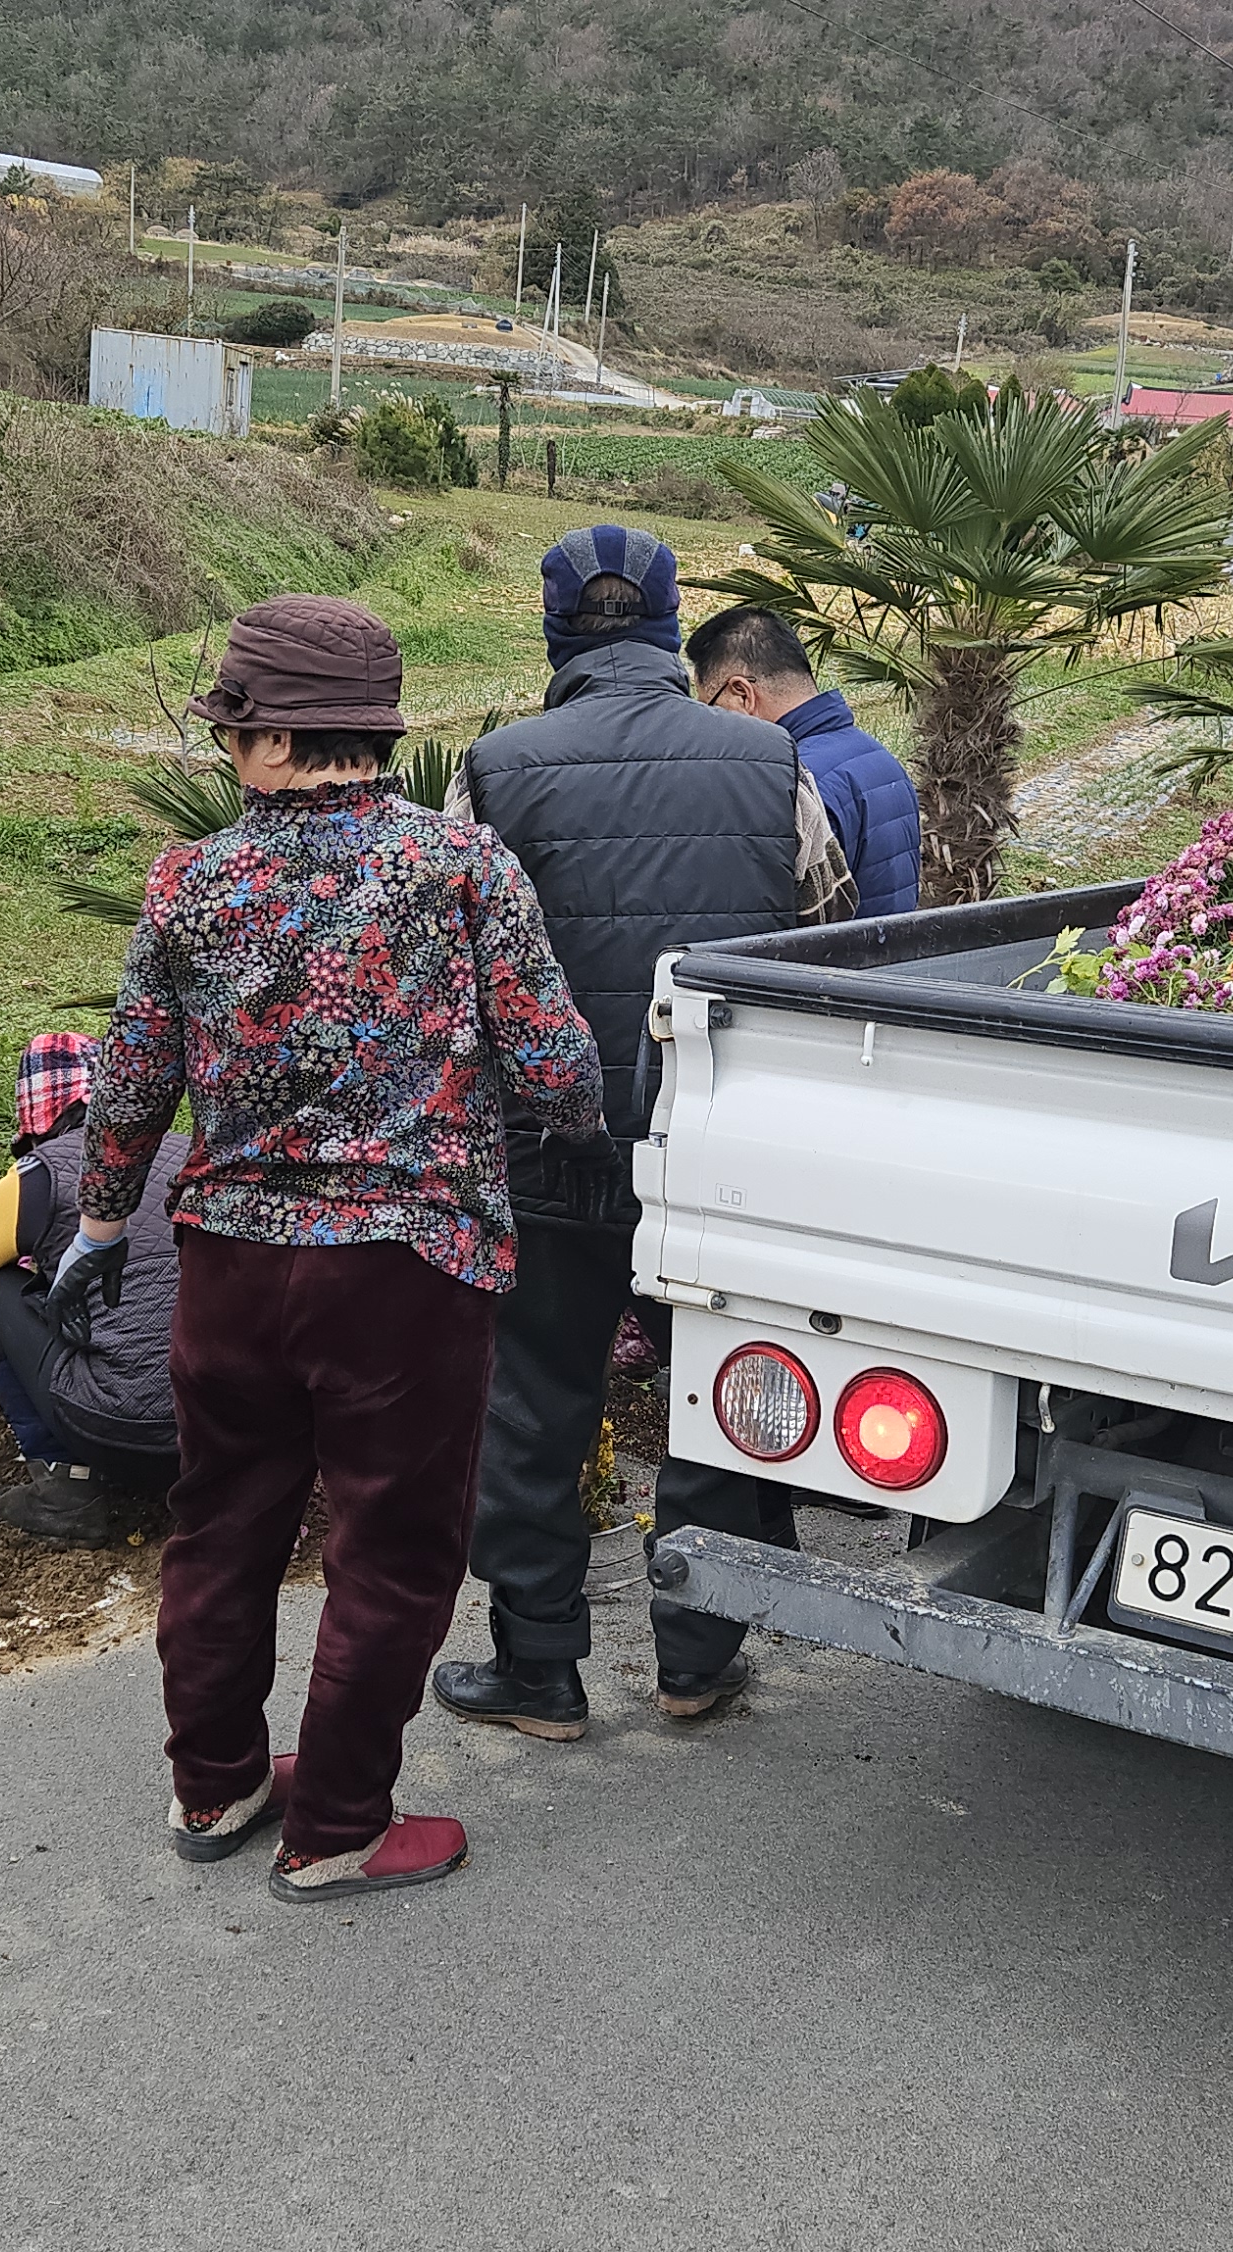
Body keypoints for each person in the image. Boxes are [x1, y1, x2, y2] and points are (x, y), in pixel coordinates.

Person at [59, 593, 604, 1902]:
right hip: (405, 1272)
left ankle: (217, 1782)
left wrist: (95, 1223)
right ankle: (341, 1823)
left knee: (221, 1530)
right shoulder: (460, 868)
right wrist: (574, 1126)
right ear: (374, 730)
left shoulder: (190, 881)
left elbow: (131, 1076)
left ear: (267, 738)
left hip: (231, 1263)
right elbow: (553, 1063)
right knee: (394, 1547)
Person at [430, 527, 853, 1745]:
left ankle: (539, 1668)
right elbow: (820, 946)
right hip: (715, 1149)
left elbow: (458, 969)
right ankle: (694, 1659)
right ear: (674, 628)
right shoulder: (770, 760)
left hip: (545, 1150)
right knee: (714, 1392)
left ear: (555, 631)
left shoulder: (497, 768)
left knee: (535, 1399)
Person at [0, 1032, 184, 1539]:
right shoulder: (192, 1156)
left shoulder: (33, 1179)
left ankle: (66, 1492)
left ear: (34, 1111)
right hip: (235, 1433)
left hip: (118, 1431)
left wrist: (36, 1350)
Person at [689, 601, 922, 917]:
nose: (712, 723)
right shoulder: (879, 757)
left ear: (742, 694)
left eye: (711, 707)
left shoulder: (792, 782)